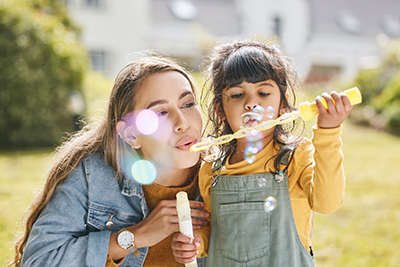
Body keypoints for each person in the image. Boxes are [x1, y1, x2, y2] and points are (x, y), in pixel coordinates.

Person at [10, 55, 209, 267]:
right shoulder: (92, 176)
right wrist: (135, 236)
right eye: (160, 113)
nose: (182, 123)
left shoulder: (226, 174)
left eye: (188, 104)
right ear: (131, 135)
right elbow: (39, 261)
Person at [171, 39, 353, 266]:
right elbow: (215, 233)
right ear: (220, 109)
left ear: (283, 106)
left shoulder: (295, 157)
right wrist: (197, 242)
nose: (251, 103)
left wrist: (328, 132)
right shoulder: (212, 168)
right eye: (238, 95)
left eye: (264, 93)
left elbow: (327, 204)